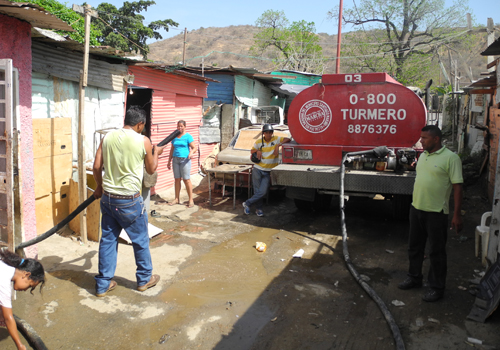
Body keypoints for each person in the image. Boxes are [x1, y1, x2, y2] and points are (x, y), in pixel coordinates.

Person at [93, 106, 165, 297]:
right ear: (140, 124)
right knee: (140, 240)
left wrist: (99, 187)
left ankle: (103, 284)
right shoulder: (143, 141)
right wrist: (156, 152)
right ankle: (144, 280)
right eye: (143, 125)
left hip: (108, 199)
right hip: (129, 201)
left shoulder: (107, 137)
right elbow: (151, 170)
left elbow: (96, 166)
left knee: (108, 240)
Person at [398, 125, 463, 302]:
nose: (421, 141)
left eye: (425, 138)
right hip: (417, 208)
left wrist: (457, 215)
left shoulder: (451, 158)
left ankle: (436, 287)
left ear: (436, 139)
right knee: (414, 247)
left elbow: (457, 187)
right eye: (421, 137)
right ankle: (414, 277)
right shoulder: (423, 155)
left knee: (437, 252)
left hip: (436, 212)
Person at [0, 250, 45, 350]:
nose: (25, 290)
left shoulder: (4, 266)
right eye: (29, 286)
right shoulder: (4, 279)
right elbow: (8, 318)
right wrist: (20, 346)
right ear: (26, 275)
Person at [243, 124, 291, 217]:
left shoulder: (276, 139)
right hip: (257, 169)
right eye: (266, 132)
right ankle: (258, 209)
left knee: (263, 191)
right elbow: (251, 151)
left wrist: (279, 145)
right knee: (257, 192)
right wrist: (257, 151)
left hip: (268, 171)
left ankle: (247, 203)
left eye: (270, 132)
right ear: (263, 133)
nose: (268, 134)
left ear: (272, 133)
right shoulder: (258, 142)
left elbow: (288, 139)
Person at [167, 120, 196, 208]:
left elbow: (194, 147)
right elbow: (172, 149)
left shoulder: (188, 136)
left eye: (181, 126)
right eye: (178, 126)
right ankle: (176, 199)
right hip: (175, 160)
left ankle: (191, 199)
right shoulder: (175, 137)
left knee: (186, 180)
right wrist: (169, 161)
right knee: (177, 179)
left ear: (185, 127)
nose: (180, 128)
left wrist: (191, 153)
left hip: (185, 160)